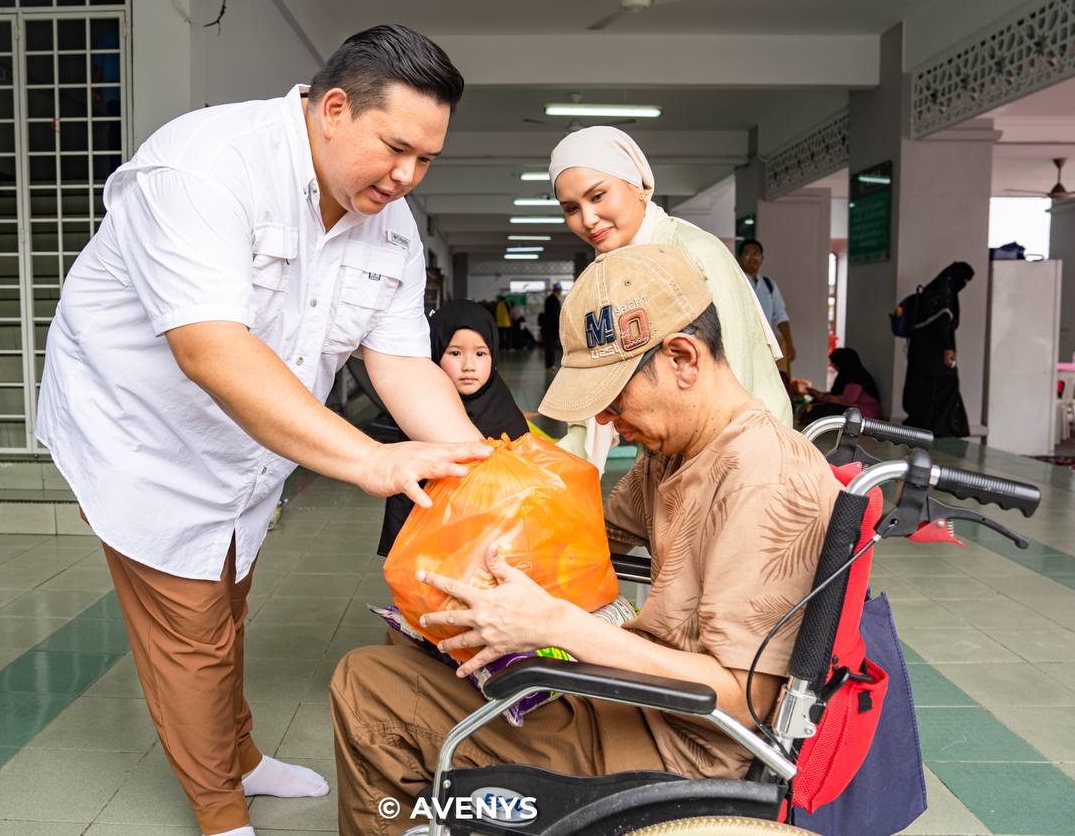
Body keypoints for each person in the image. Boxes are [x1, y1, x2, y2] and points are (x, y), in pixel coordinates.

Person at [35, 26, 493, 836]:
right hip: (143, 434)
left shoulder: (387, 223)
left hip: (247, 443)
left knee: (228, 595)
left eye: (427, 160)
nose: (407, 176)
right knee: (189, 626)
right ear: (335, 109)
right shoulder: (206, 167)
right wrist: (368, 459)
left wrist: (477, 467)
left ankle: (240, 755)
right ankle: (222, 814)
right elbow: (211, 348)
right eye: (395, 149)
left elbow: (401, 364)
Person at [329, 245, 842, 835]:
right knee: (404, 649)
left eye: (614, 396)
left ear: (682, 358)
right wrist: (483, 523)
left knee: (368, 689)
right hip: (639, 702)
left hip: (672, 747)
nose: (604, 419)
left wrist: (555, 627)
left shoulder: (763, 480)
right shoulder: (682, 448)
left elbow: (739, 699)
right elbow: (585, 530)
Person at [549, 126, 791, 425]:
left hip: (744, 441)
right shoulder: (610, 271)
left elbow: (735, 376)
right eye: (571, 208)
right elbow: (601, 367)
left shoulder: (697, 254)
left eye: (597, 196)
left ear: (637, 183)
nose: (587, 219)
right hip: (673, 441)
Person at [366, 300, 529, 557]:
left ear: (494, 354)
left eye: (480, 353)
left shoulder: (507, 417)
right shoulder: (419, 410)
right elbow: (405, 498)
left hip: (492, 547)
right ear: (434, 352)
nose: (468, 365)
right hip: (430, 546)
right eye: (455, 353)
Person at [903, 261, 975, 437]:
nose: (964, 284)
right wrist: (948, 350)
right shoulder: (943, 295)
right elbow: (942, 325)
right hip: (935, 358)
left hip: (920, 356)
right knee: (944, 389)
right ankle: (941, 427)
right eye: (964, 280)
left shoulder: (931, 292)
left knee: (924, 391)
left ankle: (926, 425)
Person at [736, 239, 797, 376]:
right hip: (742, 344)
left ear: (762, 258)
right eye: (747, 254)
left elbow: (781, 316)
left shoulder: (769, 285)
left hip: (766, 345)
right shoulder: (736, 282)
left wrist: (789, 344)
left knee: (772, 379)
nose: (752, 258)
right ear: (739, 258)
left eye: (756, 254)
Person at [798, 347, 882, 423]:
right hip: (852, 409)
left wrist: (823, 398)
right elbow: (838, 394)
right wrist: (819, 394)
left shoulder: (856, 376)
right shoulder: (846, 375)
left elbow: (847, 400)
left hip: (863, 413)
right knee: (815, 404)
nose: (832, 365)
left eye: (834, 363)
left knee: (819, 409)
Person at [542, 281, 563, 370]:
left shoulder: (550, 299)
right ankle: (550, 365)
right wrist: (559, 326)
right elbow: (555, 315)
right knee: (551, 347)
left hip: (548, 328)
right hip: (551, 328)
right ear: (558, 291)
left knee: (549, 346)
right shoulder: (553, 300)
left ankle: (549, 364)